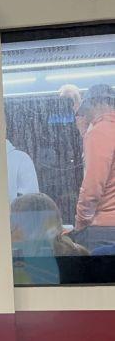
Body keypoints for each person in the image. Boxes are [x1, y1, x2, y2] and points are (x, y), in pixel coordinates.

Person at [74, 84, 115, 251]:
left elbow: (92, 187)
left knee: (100, 277)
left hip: (103, 230)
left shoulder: (100, 131)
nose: (85, 115)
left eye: (86, 109)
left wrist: (80, 223)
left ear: (96, 103)